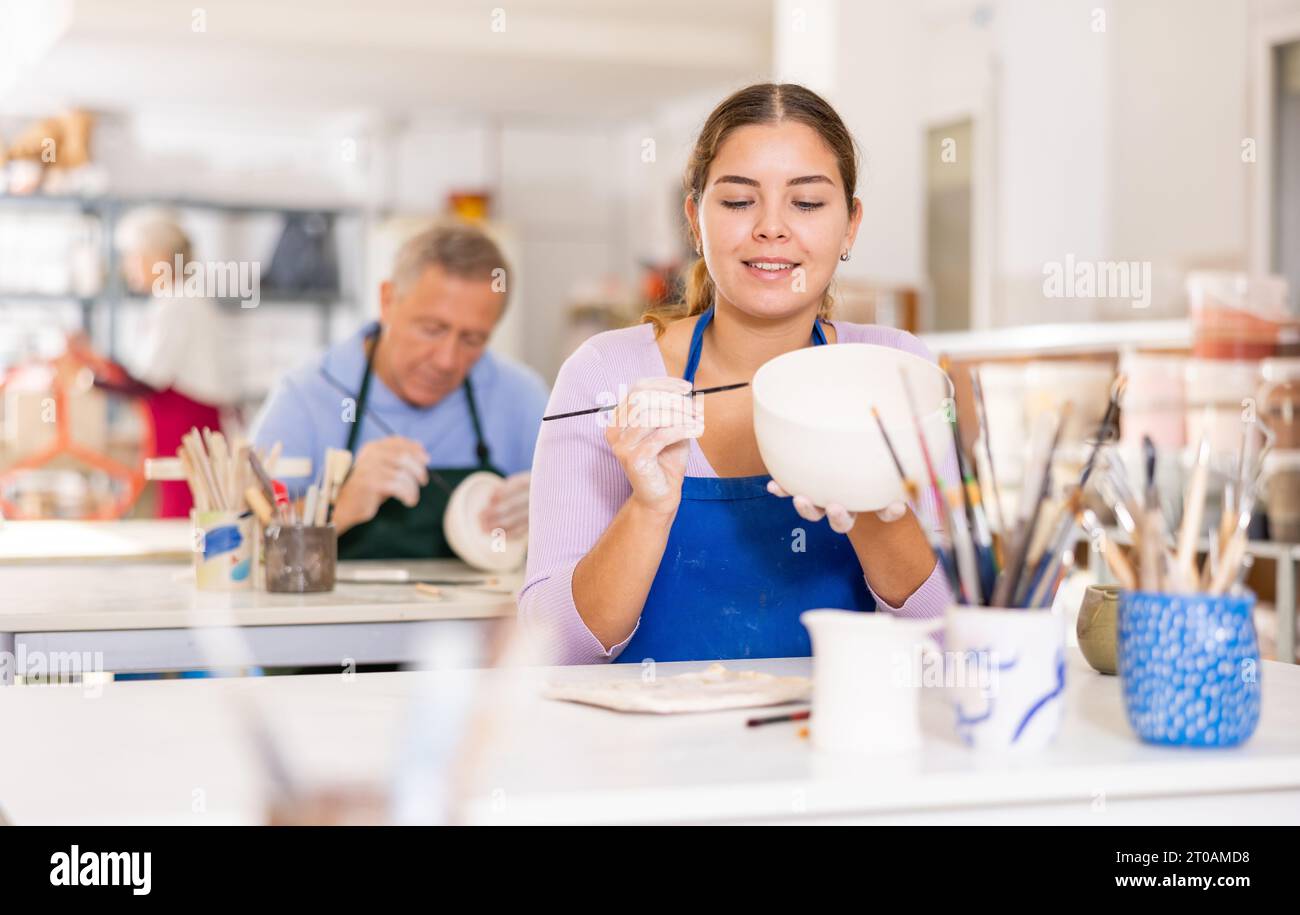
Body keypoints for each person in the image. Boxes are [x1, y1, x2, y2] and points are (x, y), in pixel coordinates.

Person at [520, 83, 956, 665]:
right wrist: (648, 508)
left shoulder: (898, 375)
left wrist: (874, 514)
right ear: (694, 220)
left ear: (849, 225)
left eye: (806, 203)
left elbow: (955, 640)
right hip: (642, 751)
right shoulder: (604, 373)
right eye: (737, 202)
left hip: (835, 740)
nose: (771, 228)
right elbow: (553, 649)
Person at [252, 222, 547, 559]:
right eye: (432, 329)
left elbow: (587, 546)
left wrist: (549, 512)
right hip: (339, 613)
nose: (447, 361)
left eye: (472, 339)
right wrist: (341, 505)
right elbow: (244, 547)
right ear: (387, 301)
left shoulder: (521, 398)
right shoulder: (306, 397)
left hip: (475, 613)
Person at [66, 207, 234, 517]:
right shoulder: (173, 300)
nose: (128, 267)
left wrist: (92, 381)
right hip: (180, 424)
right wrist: (94, 363)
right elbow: (142, 373)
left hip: (188, 427)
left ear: (158, 258)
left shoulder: (178, 303)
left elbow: (146, 382)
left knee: (186, 513)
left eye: (133, 257)